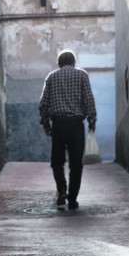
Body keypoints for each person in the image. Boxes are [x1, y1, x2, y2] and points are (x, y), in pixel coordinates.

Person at [39, 50, 97, 211]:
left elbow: (43, 104)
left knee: (57, 162)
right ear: (74, 62)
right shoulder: (82, 75)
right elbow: (89, 100)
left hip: (58, 124)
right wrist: (92, 121)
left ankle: (62, 191)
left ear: (58, 63)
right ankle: (72, 199)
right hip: (76, 125)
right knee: (76, 164)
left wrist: (46, 124)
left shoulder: (51, 77)